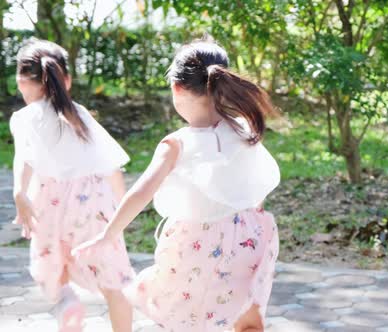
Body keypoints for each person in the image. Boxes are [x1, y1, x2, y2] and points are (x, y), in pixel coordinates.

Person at [73, 38, 281, 332]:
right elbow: (257, 184)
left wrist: (107, 235)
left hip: (197, 245)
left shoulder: (176, 144)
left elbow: (141, 193)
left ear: (177, 88)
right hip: (251, 238)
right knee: (246, 316)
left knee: (187, 318)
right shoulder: (243, 128)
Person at [10, 39, 135, 332]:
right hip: (94, 203)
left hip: (49, 202)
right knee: (114, 282)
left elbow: (24, 158)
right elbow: (111, 168)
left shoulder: (24, 118)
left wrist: (20, 191)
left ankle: (69, 305)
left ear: (21, 81)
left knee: (57, 268)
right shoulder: (79, 115)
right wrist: (121, 216)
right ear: (66, 79)